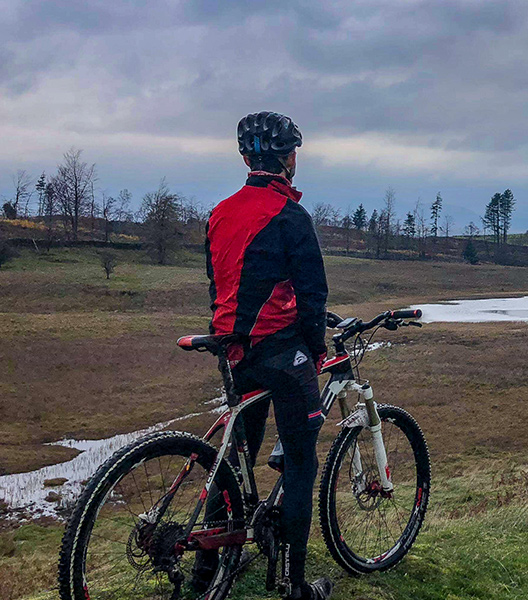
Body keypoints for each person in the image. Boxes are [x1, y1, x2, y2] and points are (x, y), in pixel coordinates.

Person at [197, 111, 332, 600]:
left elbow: (221, 287)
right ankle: (296, 587)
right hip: (279, 353)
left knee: (235, 464)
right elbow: (313, 296)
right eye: (294, 150)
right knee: (300, 462)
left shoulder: (219, 212)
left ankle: (204, 573)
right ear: (283, 158)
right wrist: (315, 348)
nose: (296, 158)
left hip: (233, 351)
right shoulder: (291, 217)